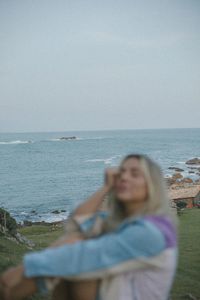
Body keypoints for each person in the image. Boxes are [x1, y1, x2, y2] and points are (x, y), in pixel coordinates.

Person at [0, 153, 179, 300]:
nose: (124, 176)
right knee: (75, 242)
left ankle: (8, 291)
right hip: (114, 291)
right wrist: (107, 186)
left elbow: (82, 254)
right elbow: (78, 221)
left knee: (76, 254)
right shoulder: (125, 222)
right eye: (121, 172)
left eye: (135, 174)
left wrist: (24, 269)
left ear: (152, 185)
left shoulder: (151, 231)